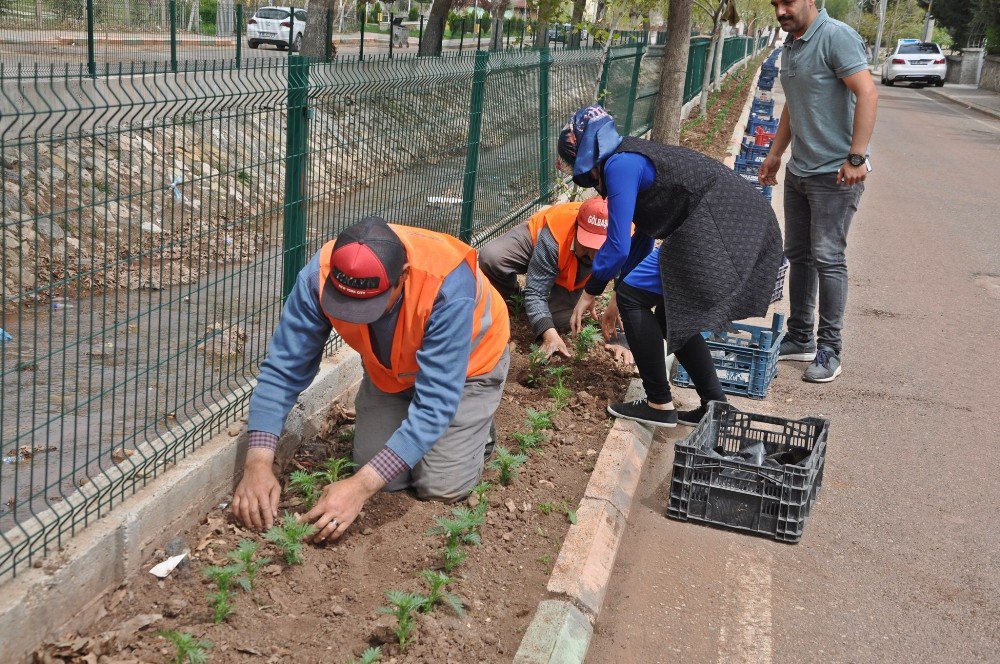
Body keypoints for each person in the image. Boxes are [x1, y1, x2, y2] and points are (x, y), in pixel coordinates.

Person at [232, 217, 510, 542]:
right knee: (386, 477)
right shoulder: (317, 277)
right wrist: (258, 463)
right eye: (345, 305)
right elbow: (283, 369)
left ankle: (478, 431)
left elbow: (436, 403)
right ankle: (416, 421)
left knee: (440, 488)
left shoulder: (447, 284)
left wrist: (359, 489)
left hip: (468, 370)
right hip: (391, 370)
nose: (355, 314)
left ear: (402, 276)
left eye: (369, 306)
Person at [559, 105, 783, 426]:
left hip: (726, 224)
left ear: (584, 158)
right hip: (739, 221)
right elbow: (641, 237)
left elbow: (618, 244)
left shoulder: (619, 165)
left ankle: (658, 404)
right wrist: (619, 297)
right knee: (669, 311)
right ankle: (715, 406)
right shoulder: (628, 156)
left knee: (640, 299)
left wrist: (591, 292)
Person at [758, 0, 878, 382]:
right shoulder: (791, 44)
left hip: (836, 174)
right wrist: (776, 154)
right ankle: (800, 336)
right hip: (800, 171)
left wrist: (856, 157)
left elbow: (867, 93)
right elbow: (794, 105)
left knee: (828, 257)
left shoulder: (836, 37)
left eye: (787, 2)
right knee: (800, 255)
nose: (780, 10)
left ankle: (830, 349)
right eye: (775, 4)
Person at [478, 196, 629, 361]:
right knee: (492, 257)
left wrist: (620, 338)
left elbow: (631, 290)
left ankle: (540, 307)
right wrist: (549, 335)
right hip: (539, 243)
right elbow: (536, 291)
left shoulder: (625, 237)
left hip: (567, 267)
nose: (593, 254)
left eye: (599, 247)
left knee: (558, 319)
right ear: (577, 228)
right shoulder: (557, 233)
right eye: (586, 245)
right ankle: (517, 303)